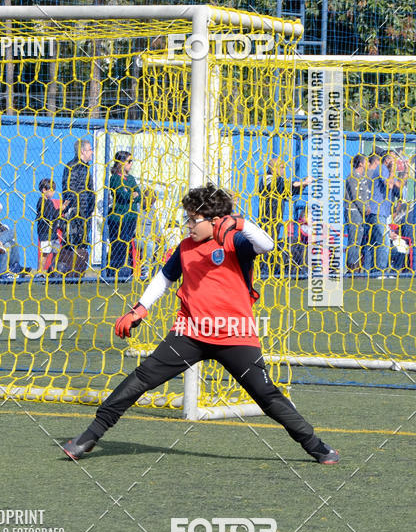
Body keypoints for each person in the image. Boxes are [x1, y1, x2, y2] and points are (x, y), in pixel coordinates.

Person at [63, 182, 339, 465]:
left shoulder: (235, 242)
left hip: (234, 336)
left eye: (193, 219)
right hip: (190, 334)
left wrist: (239, 223)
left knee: (266, 395)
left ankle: (316, 446)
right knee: (142, 378)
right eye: (188, 218)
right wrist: (140, 308)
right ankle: (89, 437)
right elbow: (164, 278)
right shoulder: (185, 247)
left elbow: (267, 244)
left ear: (215, 220)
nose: (188, 225)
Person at [258, 158, 311, 275]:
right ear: (273, 168)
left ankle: (270, 269)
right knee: (266, 244)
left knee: (273, 243)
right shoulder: (268, 178)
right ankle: (263, 270)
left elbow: (289, 190)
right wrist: (304, 183)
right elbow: (285, 186)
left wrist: (302, 185)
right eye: (281, 167)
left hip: (276, 219)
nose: (283, 170)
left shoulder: (278, 179)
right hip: (267, 219)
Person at [58, 139, 95, 276]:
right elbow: (69, 189)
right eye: (90, 149)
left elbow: (90, 190)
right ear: (82, 151)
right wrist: (75, 208)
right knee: (71, 241)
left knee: (83, 242)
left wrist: (90, 207)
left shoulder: (86, 167)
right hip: (75, 212)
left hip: (85, 212)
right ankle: (64, 270)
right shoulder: (72, 167)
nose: (92, 152)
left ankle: (78, 272)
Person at [105, 150, 140, 282]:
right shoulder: (115, 178)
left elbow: (139, 195)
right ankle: (112, 273)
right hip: (119, 218)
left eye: (131, 161)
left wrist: (132, 195)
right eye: (129, 161)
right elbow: (122, 196)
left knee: (126, 245)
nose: (131, 164)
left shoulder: (131, 179)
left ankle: (121, 273)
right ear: (121, 163)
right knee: (117, 246)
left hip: (131, 218)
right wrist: (132, 195)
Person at [344, 153, 368, 272]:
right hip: (354, 212)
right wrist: (365, 209)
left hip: (360, 213)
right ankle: (351, 266)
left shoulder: (362, 178)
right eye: (366, 161)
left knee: (358, 240)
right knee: (354, 240)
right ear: (361, 164)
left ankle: (357, 265)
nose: (368, 164)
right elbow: (355, 197)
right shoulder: (352, 177)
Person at [36, 179, 62, 271]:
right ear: (44, 190)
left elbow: (54, 214)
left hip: (53, 231)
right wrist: (60, 210)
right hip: (45, 231)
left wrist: (62, 209)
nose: (53, 193)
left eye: (54, 190)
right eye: (51, 190)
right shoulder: (41, 201)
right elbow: (47, 215)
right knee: (45, 253)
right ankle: (40, 271)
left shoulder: (50, 202)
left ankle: (53, 270)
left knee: (56, 250)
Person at [136, 188, 161, 278]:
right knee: (150, 245)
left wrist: (159, 236)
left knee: (165, 245)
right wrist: (150, 236)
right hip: (139, 238)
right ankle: (145, 271)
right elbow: (135, 229)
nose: (151, 205)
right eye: (149, 202)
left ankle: (156, 269)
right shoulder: (136, 209)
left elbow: (157, 225)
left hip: (151, 238)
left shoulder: (152, 210)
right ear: (144, 198)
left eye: (152, 203)